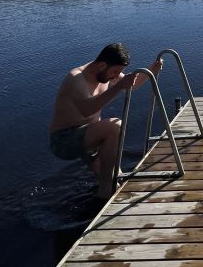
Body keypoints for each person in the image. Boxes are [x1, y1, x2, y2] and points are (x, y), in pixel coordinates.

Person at [49, 43, 163, 200]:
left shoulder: (106, 73)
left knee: (120, 179)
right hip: (64, 140)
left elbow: (132, 85)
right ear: (102, 65)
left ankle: (104, 195)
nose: (116, 76)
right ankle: (105, 188)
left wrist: (152, 70)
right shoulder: (76, 79)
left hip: (90, 137)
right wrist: (117, 88)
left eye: (119, 73)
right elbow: (86, 110)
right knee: (115, 126)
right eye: (115, 71)